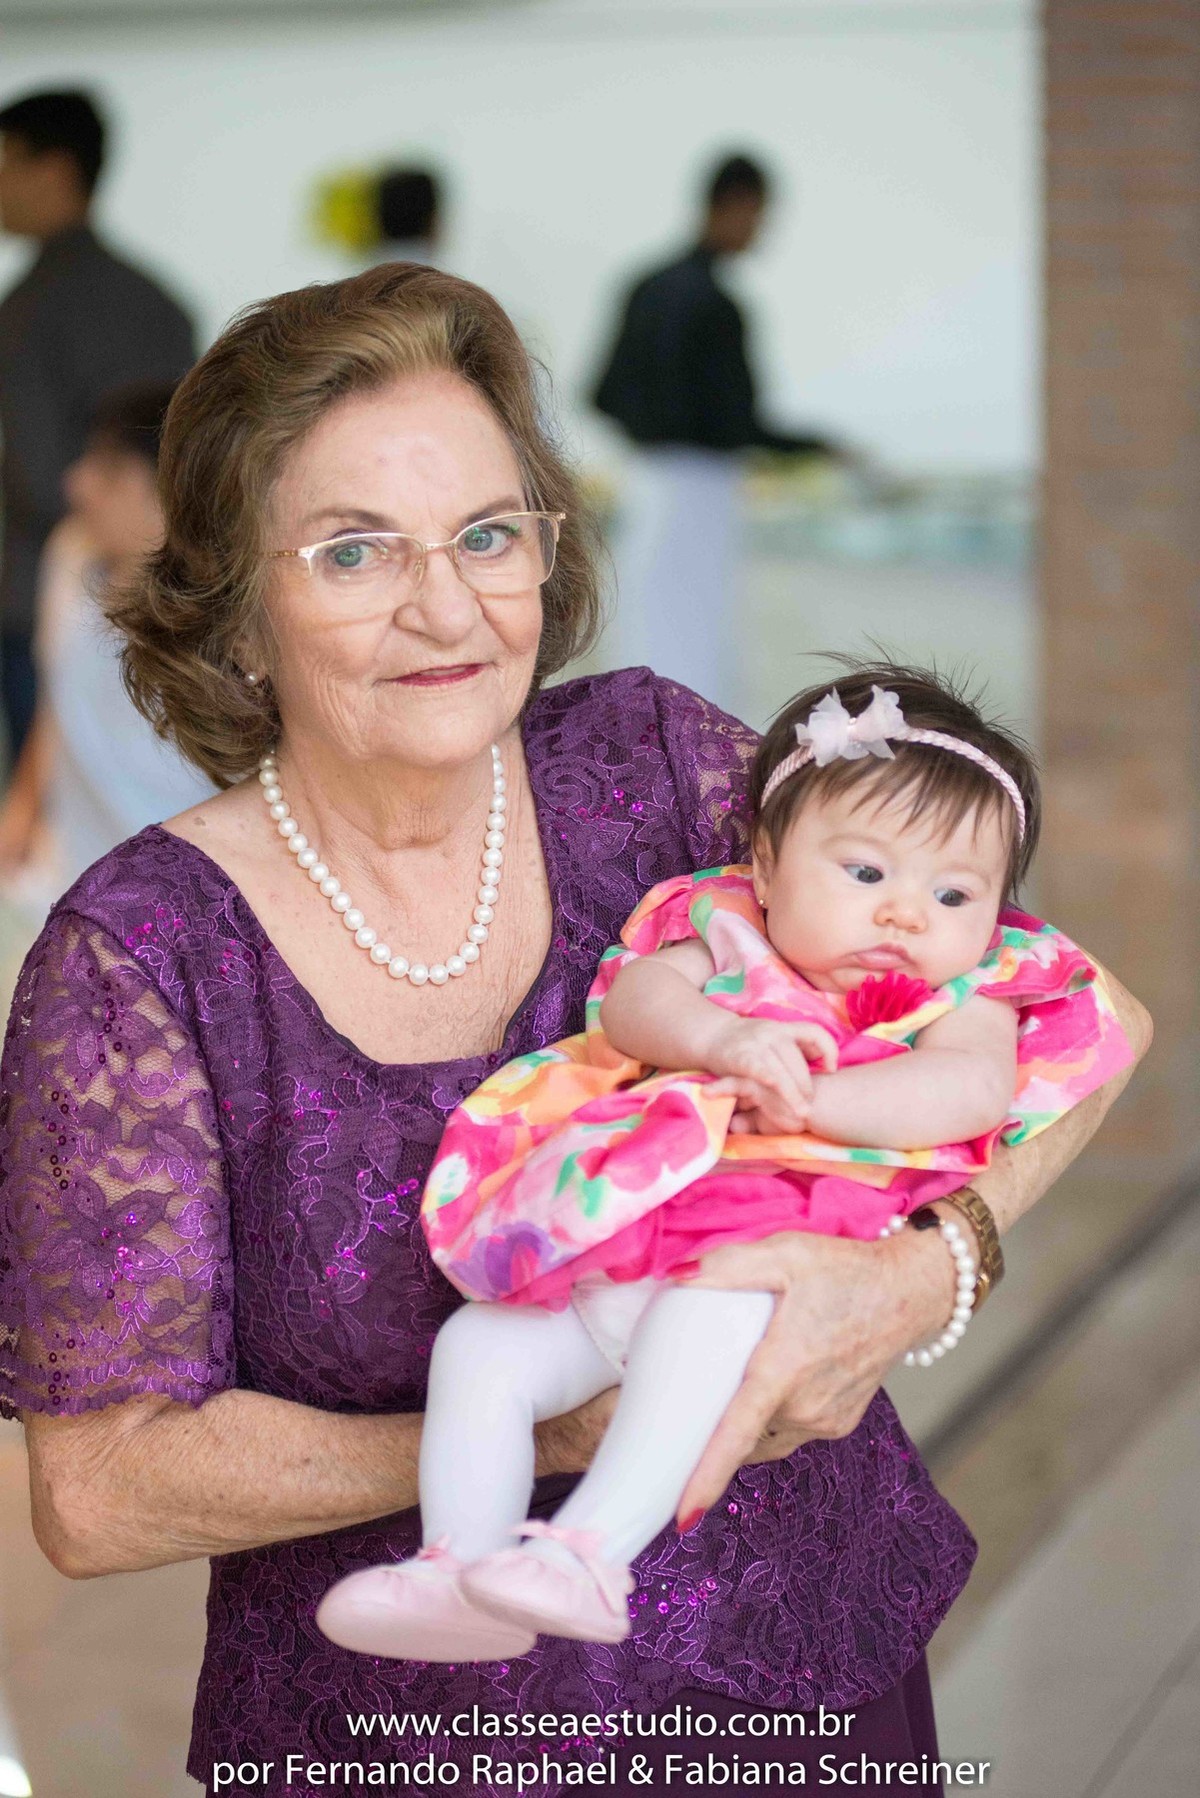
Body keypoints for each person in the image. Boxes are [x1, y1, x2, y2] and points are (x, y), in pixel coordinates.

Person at [0, 264, 1149, 1798]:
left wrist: (919, 1270)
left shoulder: (652, 762)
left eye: (488, 534)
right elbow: (102, 1486)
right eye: (355, 551)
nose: (448, 607)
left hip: (809, 1681)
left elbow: (1091, 1020)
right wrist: (564, 1429)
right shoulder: (144, 953)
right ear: (236, 613)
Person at [319, 665, 1132, 1659]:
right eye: (866, 873)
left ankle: (587, 1551)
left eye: (954, 891)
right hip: (619, 1259)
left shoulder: (964, 1002)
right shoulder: (729, 937)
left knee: (703, 1324)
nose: (906, 915)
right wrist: (720, 1040)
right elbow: (634, 1003)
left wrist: (823, 1099)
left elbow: (966, 1095)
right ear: (766, 859)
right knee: (481, 1349)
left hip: (759, 1265)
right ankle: (457, 1564)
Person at [593, 152, 839, 705]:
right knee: (697, 645)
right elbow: (740, 422)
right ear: (736, 205)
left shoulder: (645, 286)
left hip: (647, 482)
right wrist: (816, 447)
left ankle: (641, 773)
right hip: (701, 490)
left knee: (649, 636)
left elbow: (602, 393)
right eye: (759, 216)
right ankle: (690, 776)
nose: (760, 231)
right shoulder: (718, 306)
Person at [0, 89, 195, 764]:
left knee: (65, 805)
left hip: (46, 599)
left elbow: (33, 475)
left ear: (54, 170)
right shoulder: (159, 298)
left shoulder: (28, 313)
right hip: (176, 595)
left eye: (5, 163)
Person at [0, 382, 213, 891]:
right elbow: (58, 699)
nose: (77, 483)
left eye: (109, 470)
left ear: (165, 494)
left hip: (181, 888)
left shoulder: (217, 614)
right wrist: (22, 809)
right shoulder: (70, 553)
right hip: (73, 871)